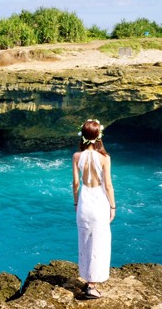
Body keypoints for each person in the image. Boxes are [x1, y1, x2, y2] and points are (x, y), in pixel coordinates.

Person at [72, 119, 116, 299]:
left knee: (85, 241)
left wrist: (76, 204)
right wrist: (113, 206)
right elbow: (108, 186)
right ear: (99, 136)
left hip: (84, 200)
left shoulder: (76, 156)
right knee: (99, 243)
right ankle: (92, 286)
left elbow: (75, 184)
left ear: (82, 136)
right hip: (99, 201)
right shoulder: (105, 158)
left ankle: (88, 280)